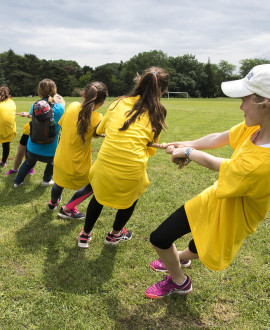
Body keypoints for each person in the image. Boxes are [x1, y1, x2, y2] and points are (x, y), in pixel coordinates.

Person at [144, 64, 270, 299]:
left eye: (245, 99)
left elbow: (220, 165)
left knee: (206, 242)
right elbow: (219, 138)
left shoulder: (265, 159)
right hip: (218, 196)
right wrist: (186, 144)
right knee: (161, 237)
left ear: (265, 103)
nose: (241, 106)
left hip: (237, 213)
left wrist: (189, 153)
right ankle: (179, 262)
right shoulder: (256, 128)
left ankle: (179, 281)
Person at [77, 66, 169, 248]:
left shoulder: (118, 103)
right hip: (132, 172)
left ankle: (85, 235)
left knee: (98, 195)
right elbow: (150, 148)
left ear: (139, 82)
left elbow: (100, 129)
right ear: (163, 91)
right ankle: (115, 235)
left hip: (103, 168)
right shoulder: (159, 111)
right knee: (130, 198)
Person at [48, 82, 108, 219]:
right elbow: (97, 133)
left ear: (83, 94)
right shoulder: (98, 118)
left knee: (59, 181)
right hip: (78, 165)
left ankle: (53, 203)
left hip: (60, 158)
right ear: (102, 103)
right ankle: (68, 209)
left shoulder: (72, 106)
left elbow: (63, 124)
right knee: (93, 185)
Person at [14, 80, 64, 187]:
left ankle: (17, 182)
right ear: (54, 90)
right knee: (51, 164)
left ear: (40, 91)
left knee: (27, 163)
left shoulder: (35, 105)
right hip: (51, 149)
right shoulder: (60, 108)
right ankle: (46, 180)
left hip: (33, 146)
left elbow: (33, 116)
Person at [4, 94, 65, 176]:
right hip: (30, 131)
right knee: (24, 153)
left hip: (34, 133)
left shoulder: (44, 106)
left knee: (30, 153)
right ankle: (17, 169)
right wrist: (28, 114)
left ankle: (26, 168)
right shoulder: (53, 108)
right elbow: (39, 117)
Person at [0, 86, 16, 168]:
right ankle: (4, 162)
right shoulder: (12, 102)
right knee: (6, 145)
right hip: (9, 130)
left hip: (1, 129)